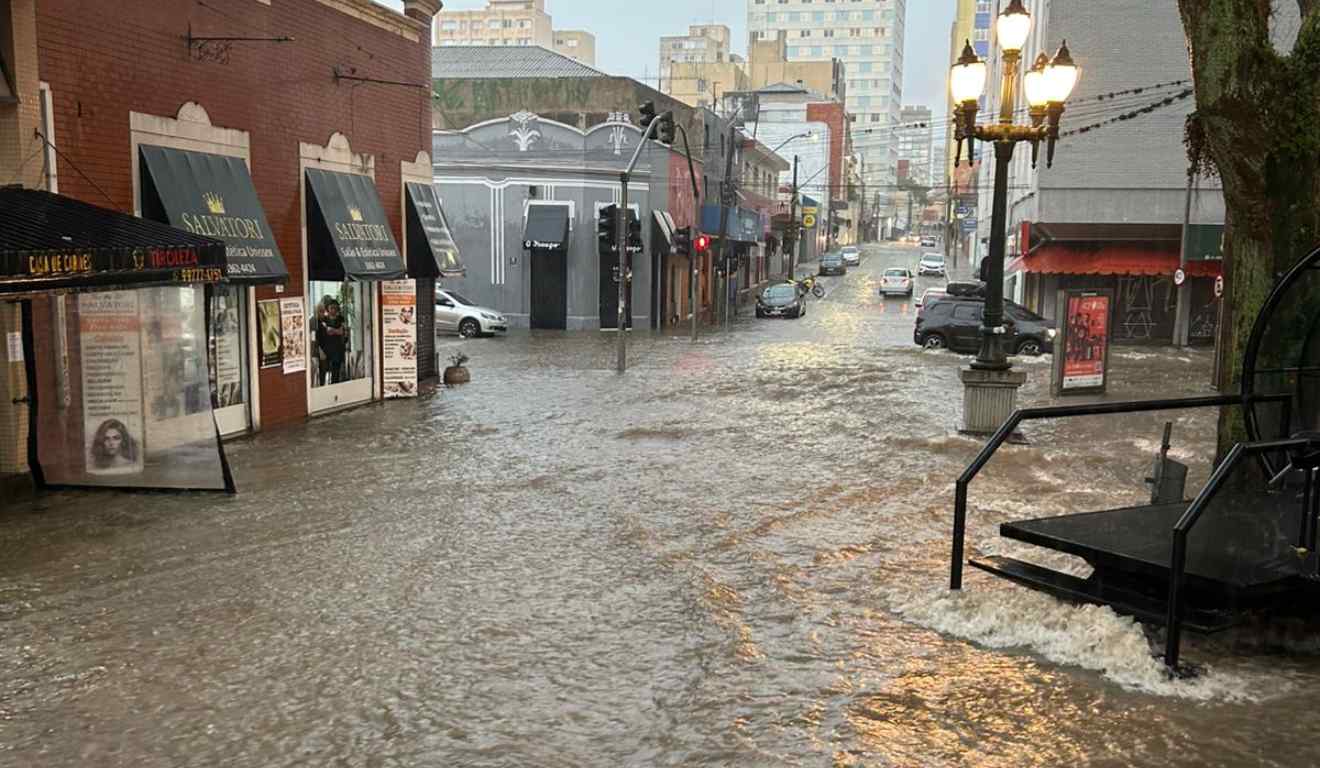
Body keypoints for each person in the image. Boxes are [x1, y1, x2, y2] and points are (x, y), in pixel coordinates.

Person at [317, 299, 347, 385]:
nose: (333, 310)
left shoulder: (341, 319)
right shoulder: (324, 319)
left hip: (337, 348)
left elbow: (342, 332)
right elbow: (326, 332)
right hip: (326, 348)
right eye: (331, 308)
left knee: (336, 372)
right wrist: (336, 331)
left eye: (335, 308)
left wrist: (333, 330)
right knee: (324, 371)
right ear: (328, 308)